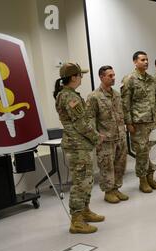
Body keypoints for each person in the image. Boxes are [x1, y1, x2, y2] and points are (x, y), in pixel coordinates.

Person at [53, 63, 105, 234]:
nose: (81, 78)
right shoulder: (69, 97)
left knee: (87, 179)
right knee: (81, 182)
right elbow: (81, 123)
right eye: (80, 75)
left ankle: (84, 211)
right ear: (73, 77)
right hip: (77, 145)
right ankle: (76, 220)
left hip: (81, 144)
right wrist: (96, 137)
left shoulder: (69, 95)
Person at [121, 51, 156, 193]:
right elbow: (125, 104)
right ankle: (143, 181)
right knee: (142, 153)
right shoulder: (129, 79)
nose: (146, 62)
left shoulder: (151, 80)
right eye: (143, 60)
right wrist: (128, 123)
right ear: (135, 62)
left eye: (147, 60)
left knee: (153, 152)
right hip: (139, 124)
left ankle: (151, 177)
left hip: (152, 122)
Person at [87, 66, 129, 204]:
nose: (113, 78)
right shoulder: (94, 97)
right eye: (110, 76)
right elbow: (90, 118)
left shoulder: (117, 94)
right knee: (106, 166)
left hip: (120, 136)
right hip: (105, 139)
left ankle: (116, 188)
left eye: (114, 75)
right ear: (101, 77)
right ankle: (108, 191)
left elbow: (121, 113)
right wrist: (96, 136)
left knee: (120, 165)